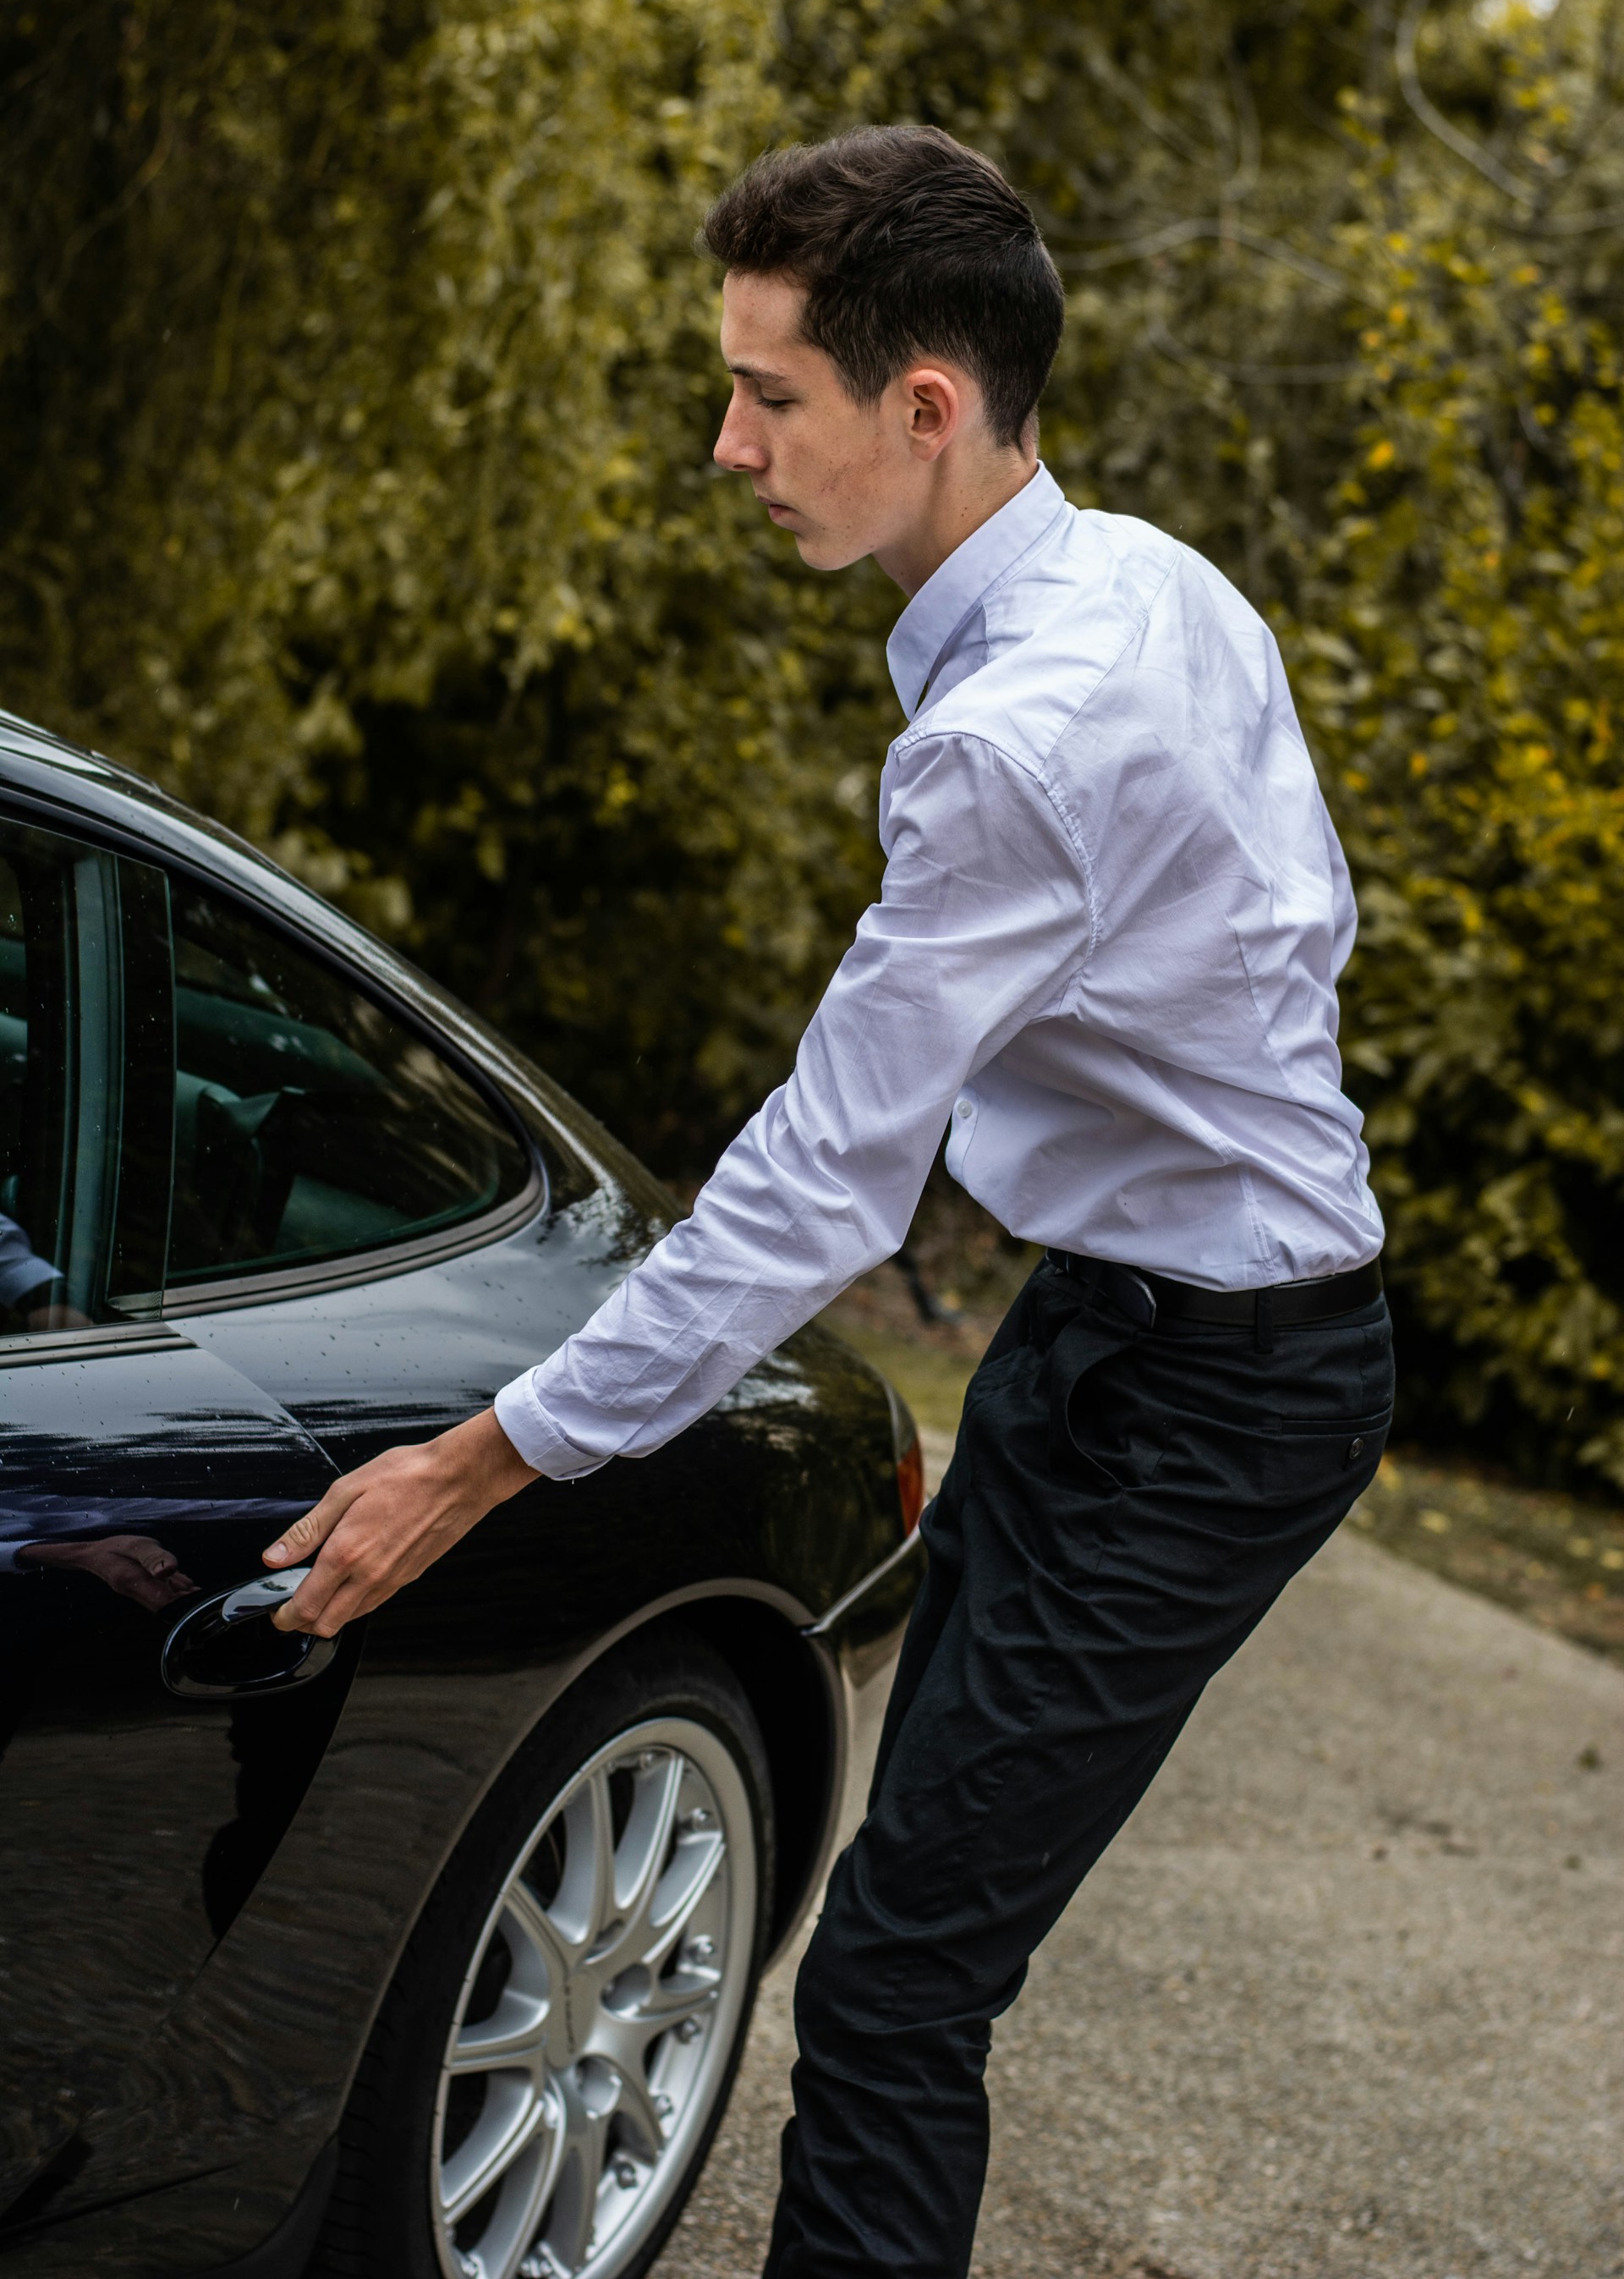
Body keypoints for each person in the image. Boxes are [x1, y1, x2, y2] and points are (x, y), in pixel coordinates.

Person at [266, 124, 1393, 2276]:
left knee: (891, 1986)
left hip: (1218, 1408)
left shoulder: (1018, 734)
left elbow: (819, 1189)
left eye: (769, 394)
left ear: (927, 406)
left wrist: (478, 1466)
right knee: (910, 1887)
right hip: (1125, 1330)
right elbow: (1296, 924)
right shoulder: (1153, 579)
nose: (729, 444)